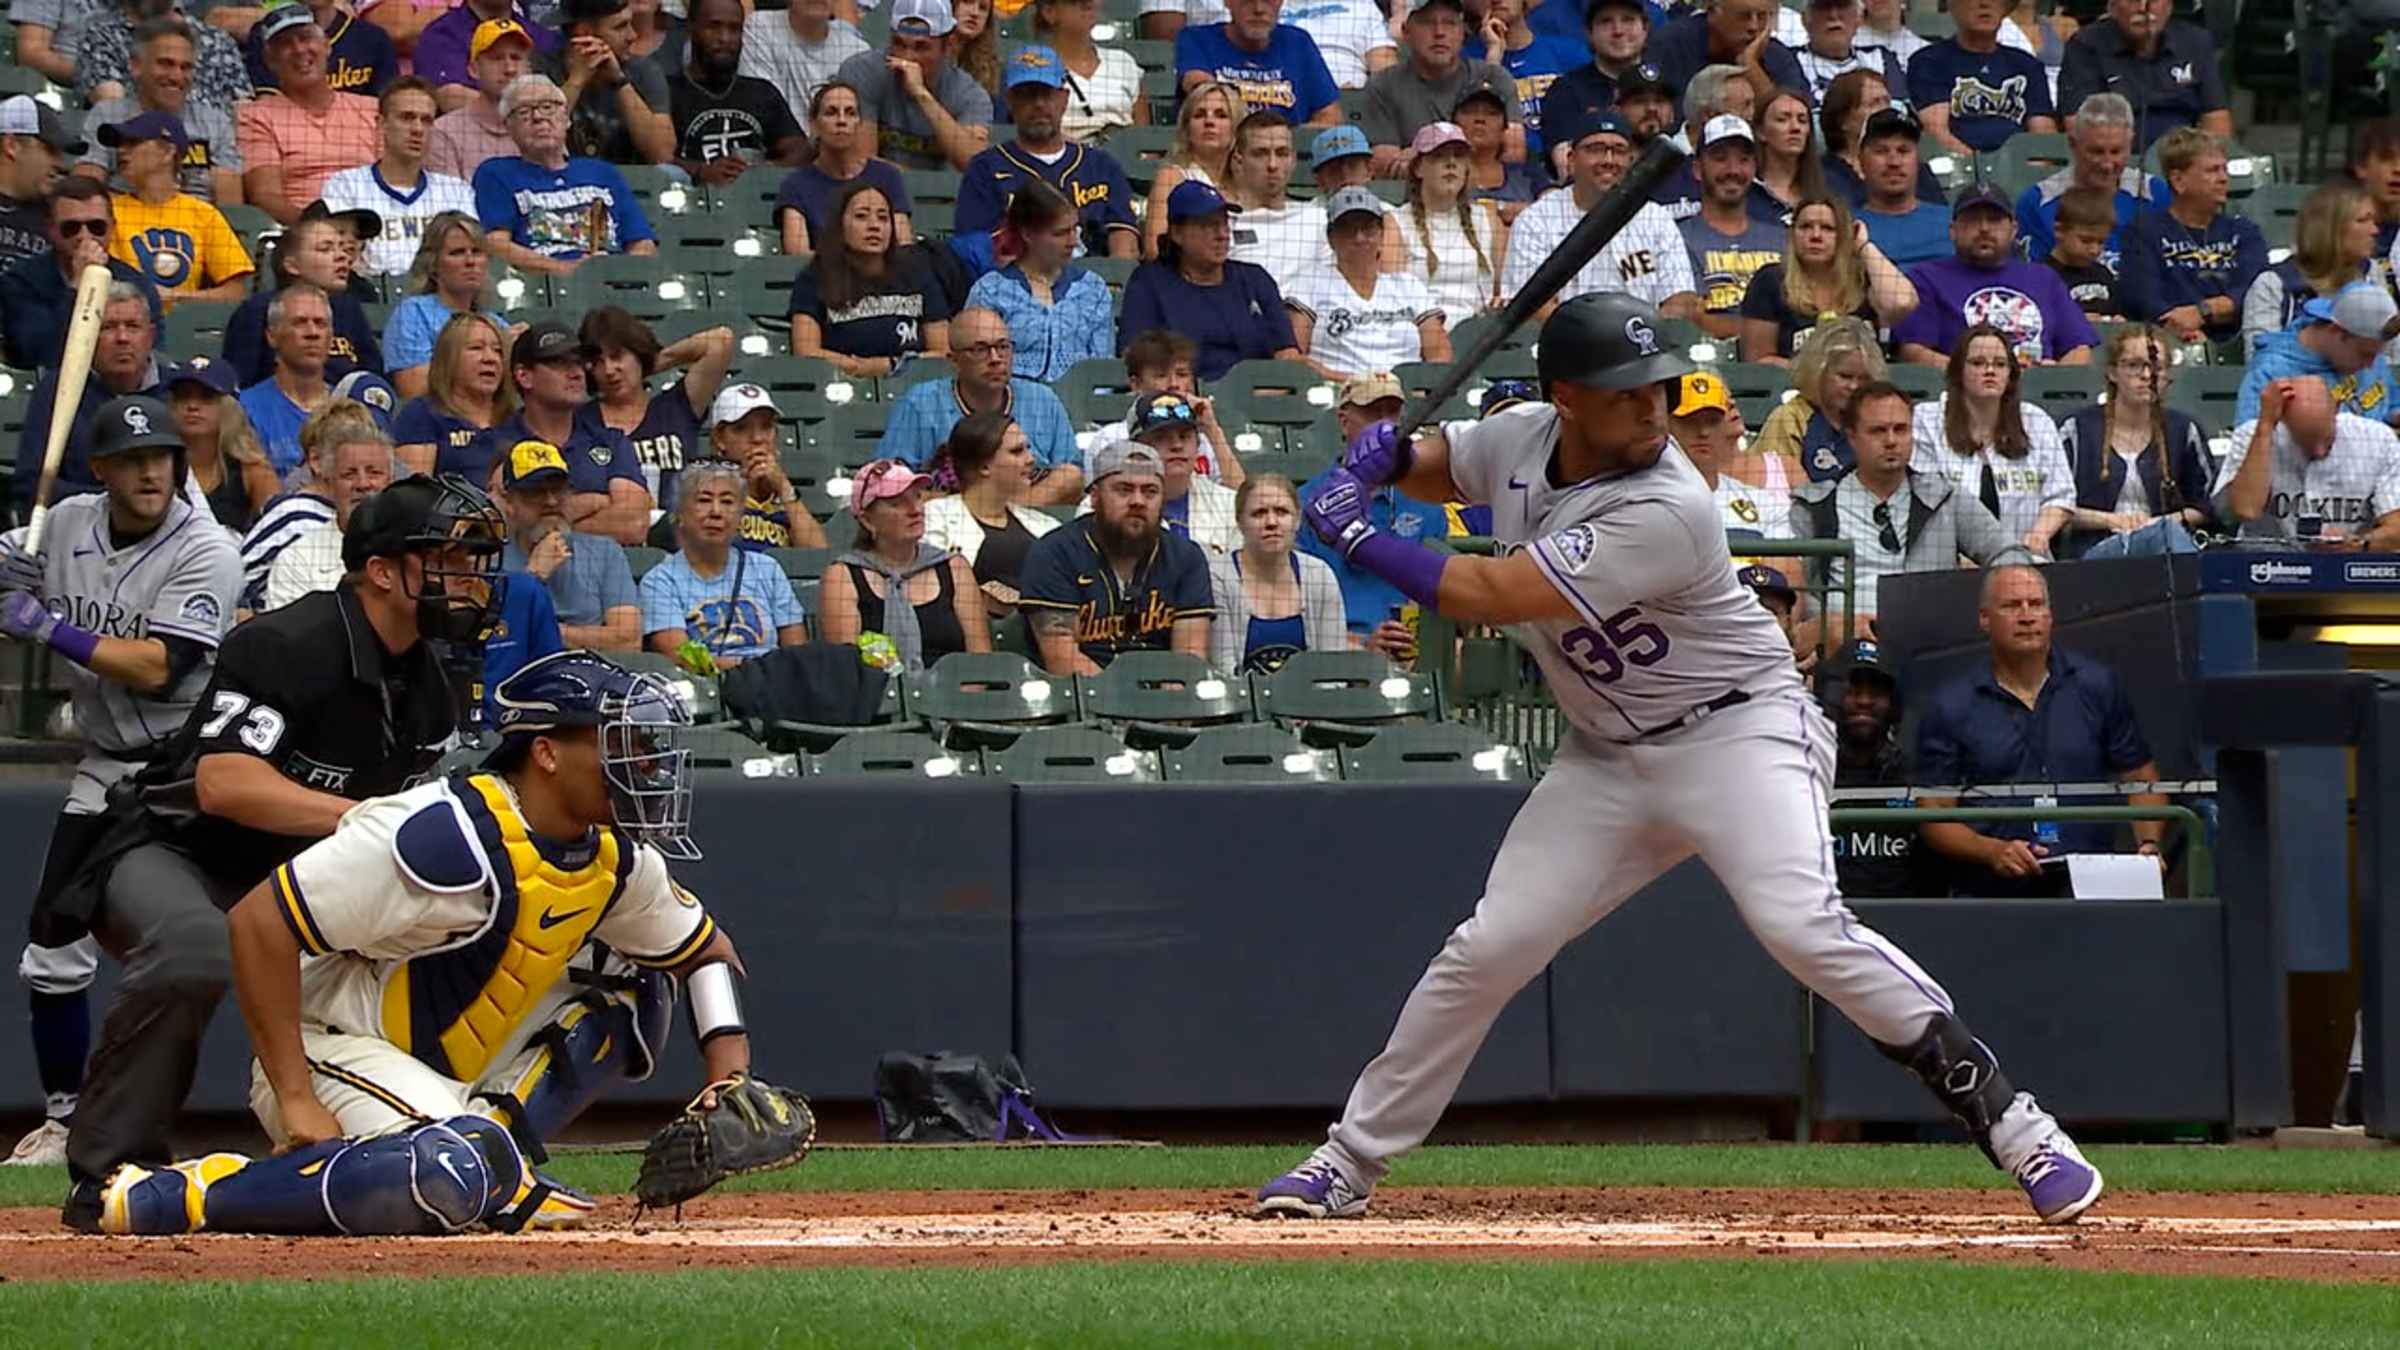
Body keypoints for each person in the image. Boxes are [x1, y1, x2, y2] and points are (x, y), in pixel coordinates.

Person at [1259, 290, 2105, 1226]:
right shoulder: (1518, 436)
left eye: (1659, 385)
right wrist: (1388, 456)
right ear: (1569, 399)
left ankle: (2019, 1127)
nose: (1654, 407)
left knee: (1801, 925)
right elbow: (1446, 464)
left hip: (1739, 734)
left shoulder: (1668, 505)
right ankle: (1346, 1161)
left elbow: (1491, 592)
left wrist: (1355, 529)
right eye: (1629, 391)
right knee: (1490, 946)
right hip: (1607, 756)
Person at [93, 647, 775, 1237]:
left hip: (447, 1065)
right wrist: (296, 1096)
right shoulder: (438, 833)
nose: (645, 762)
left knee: (636, 982)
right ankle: (186, 1193)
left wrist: (730, 1081)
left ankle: (490, 1156)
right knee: (456, 1170)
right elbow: (258, 921)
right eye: (618, 741)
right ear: (545, 751)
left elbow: (704, 954)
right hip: (333, 1046)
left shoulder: (613, 858)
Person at [44, 473, 504, 1231]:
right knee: (196, 947)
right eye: (449, 560)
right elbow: (223, 784)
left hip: (292, 886)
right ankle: (110, 1180)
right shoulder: (289, 642)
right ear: (383, 572)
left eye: (474, 562)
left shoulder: (428, 683)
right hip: (175, 848)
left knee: (445, 938)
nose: (470, 581)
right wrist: (364, 819)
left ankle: (458, 1141)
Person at [0, 393, 240, 1172]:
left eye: (162, 457)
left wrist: (42, 623)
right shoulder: (65, 522)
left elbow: (158, 664)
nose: (150, 471)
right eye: (133, 460)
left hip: (190, 768)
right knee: (50, 946)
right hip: (105, 764)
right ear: (101, 470)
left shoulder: (208, 547)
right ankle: (66, 1120)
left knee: (239, 940)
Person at [1913, 564, 2167, 898]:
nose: (2026, 615)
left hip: (2090, 891)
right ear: (1984, 619)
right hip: (1992, 895)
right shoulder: (1950, 705)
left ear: (2050, 616)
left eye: (2036, 604)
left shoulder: (2098, 686)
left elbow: (2141, 777)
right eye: (2011, 605)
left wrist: (2148, 844)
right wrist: (1991, 851)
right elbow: (1933, 816)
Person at [1789, 379, 2032, 626]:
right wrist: (1827, 625)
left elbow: (2008, 553)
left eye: (1901, 429)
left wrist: (1975, 603)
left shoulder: (1946, 498)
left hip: (1929, 640)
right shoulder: (1814, 505)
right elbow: (1796, 586)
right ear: (1852, 438)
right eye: (1878, 431)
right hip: (1841, 645)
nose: (1891, 440)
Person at [1019, 441, 1213, 673]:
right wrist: (1127, 702)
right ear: (1094, 496)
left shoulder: (1186, 558)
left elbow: (1189, 660)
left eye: (1150, 491)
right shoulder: (1054, 553)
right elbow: (1062, 660)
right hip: (1079, 700)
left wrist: (1166, 700)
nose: (1138, 501)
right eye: (1124, 489)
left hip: (1166, 698)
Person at [461, 320, 652, 545]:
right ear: (524, 376)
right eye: (560, 363)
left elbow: (633, 525)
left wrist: (546, 523)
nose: (576, 373)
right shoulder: (489, 446)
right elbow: (490, 528)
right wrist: (594, 502)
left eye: (579, 363)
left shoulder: (611, 442)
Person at [1501, 109, 1692, 323]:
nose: (1608, 160)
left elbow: (1681, 298)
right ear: (1571, 161)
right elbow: (1533, 308)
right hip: (1565, 348)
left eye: (1618, 150)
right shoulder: (1536, 220)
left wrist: (1647, 338)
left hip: (1645, 345)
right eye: (1596, 149)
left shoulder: (1655, 218)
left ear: (1631, 160)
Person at [1298, 373, 1441, 658]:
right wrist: (1360, 645)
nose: (1385, 424)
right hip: (1334, 651)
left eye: (1392, 412)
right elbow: (1297, 605)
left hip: (1413, 648)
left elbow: (1436, 589)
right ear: (1343, 420)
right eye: (1373, 413)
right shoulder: (1308, 501)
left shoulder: (1427, 500)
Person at [953, 46, 1139, 258]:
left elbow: (1124, 242)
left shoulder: (1101, 166)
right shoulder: (985, 168)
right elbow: (978, 250)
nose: (1039, 104)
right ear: (1010, 101)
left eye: (1047, 94)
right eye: (1028, 95)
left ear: (1064, 98)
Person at [884, 307, 1084, 502]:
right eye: (980, 350)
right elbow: (889, 481)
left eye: (1003, 347)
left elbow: (1073, 476)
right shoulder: (921, 403)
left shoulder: (1042, 400)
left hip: (1031, 524)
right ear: (954, 360)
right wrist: (972, 508)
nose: (995, 359)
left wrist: (1009, 510)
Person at [1892, 180, 2098, 367]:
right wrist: (1970, 374)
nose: (1984, 229)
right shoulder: (1926, 277)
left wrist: (2051, 376)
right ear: (1952, 231)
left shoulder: (2044, 278)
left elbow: (2079, 348)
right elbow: (1913, 352)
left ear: (2014, 229)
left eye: (1994, 220)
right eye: (1973, 220)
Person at [474, 73, 660, 278]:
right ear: (509, 127)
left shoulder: (603, 173)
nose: (538, 117)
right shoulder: (496, 173)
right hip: (545, 288)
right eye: (524, 112)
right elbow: (497, 245)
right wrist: (566, 270)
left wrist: (616, 273)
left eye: (548, 107)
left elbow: (643, 244)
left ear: (566, 118)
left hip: (615, 284)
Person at [1911, 326, 2075, 558]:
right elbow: (1923, 500)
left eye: (1999, 364)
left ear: (2011, 375)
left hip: (2025, 560)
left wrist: (2039, 534)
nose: (1989, 370)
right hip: (1949, 562)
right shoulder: (1927, 420)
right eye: (1977, 363)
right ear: (1959, 371)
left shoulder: (2036, 421)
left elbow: (2061, 495)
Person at [1119, 180, 1304, 383]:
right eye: (1208, 225)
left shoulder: (1255, 279)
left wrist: (1267, 395)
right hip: (1182, 399)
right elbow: (1135, 359)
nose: (1222, 234)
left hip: (1260, 399)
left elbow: (1287, 355)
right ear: (1177, 233)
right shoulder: (1149, 283)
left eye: (1224, 223)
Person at [2057, 322, 2214, 558]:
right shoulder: (2076, 428)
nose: (2146, 376)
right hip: (2092, 553)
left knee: (2168, 536)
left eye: (2156, 367)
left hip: (2162, 550)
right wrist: (2115, 521)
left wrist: (2156, 525)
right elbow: (2051, 505)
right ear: (2112, 372)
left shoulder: (2184, 429)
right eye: (2133, 365)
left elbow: (2206, 506)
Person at [817, 458, 988, 669]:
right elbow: (845, 671)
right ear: (867, 520)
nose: (915, 510)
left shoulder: (955, 568)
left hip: (955, 698)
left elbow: (981, 662)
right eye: (896, 503)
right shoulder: (843, 576)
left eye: (917, 497)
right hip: (876, 698)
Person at [11, 284, 166, 515]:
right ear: (88, 335)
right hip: (77, 529)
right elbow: (32, 483)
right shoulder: (57, 389)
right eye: (108, 327)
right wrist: (115, 501)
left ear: (151, 336)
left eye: (132, 327)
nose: (122, 338)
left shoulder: (176, 389)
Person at [639, 459, 808, 670]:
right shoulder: (659, 582)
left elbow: (797, 651)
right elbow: (681, 660)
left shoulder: (767, 569)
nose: (716, 512)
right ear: (680, 514)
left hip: (772, 690)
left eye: (727, 502)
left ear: (740, 516)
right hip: (704, 689)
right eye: (704, 500)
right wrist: (752, 669)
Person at [787, 181, 955, 376]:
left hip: (913, 384)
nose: (874, 226)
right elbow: (805, 351)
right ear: (840, 224)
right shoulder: (814, 277)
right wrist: (855, 367)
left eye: (883, 218)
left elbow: (943, 351)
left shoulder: (918, 273)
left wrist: (889, 365)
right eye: (861, 216)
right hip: (838, 384)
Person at [317, 78, 477, 282]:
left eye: (426, 120)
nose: (418, 129)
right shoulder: (345, 186)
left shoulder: (457, 192)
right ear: (382, 124)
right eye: (407, 117)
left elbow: (470, 260)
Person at [236, 6, 383, 226]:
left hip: (376, 226)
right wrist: (321, 227)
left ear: (327, 46)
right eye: (285, 44)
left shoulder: (371, 109)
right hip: (305, 235)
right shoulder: (257, 116)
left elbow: (394, 180)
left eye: (306, 38)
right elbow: (266, 196)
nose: (299, 49)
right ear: (270, 60)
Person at [2118, 127, 2265, 346]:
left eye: (2225, 170)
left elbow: (2257, 292)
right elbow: (2144, 298)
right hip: (2168, 344)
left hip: (2239, 344)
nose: (2224, 178)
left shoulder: (2244, 231)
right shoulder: (2143, 232)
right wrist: (2184, 330)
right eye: (2212, 170)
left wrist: (2202, 311)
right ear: (2178, 180)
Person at [1285, 186, 1450, 380]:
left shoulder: (1409, 286)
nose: (1360, 238)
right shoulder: (1309, 284)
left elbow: (1439, 353)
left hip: (1407, 396)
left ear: (1381, 234)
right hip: (1337, 393)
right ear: (1331, 238)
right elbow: (1293, 357)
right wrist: (1354, 382)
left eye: (1368, 228)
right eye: (1348, 229)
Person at [580, 307, 734, 516]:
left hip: (679, 538)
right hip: (613, 537)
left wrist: (650, 363)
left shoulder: (677, 407)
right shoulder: (581, 421)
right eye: (597, 362)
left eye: (617, 356)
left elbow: (721, 341)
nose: (609, 370)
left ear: (637, 351)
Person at [2217, 375, 2400, 549]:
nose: (2319, 451)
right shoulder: (2253, 436)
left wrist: (2356, 544)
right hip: (2267, 565)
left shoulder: (2377, 440)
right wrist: (2265, 426)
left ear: (2336, 408)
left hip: (2349, 566)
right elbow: (2246, 510)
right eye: (2307, 440)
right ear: (2282, 419)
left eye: (2325, 439)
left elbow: (2396, 530)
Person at [74, 18, 243, 206]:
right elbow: (86, 189)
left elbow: (231, 208)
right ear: (136, 66)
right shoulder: (108, 114)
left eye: (185, 67)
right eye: (165, 64)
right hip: (124, 224)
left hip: (198, 227)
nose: (176, 76)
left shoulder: (215, 122)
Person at [0, 179, 161, 372]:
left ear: (112, 228)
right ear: (51, 229)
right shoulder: (22, 280)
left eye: (96, 227)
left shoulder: (136, 284)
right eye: (71, 227)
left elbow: (155, 357)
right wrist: (78, 288)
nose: (84, 236)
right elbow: (37, 354)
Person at [965, 181, 1117, 384]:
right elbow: (977, 366)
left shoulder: (1093, 289)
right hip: (1011, 405)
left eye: (1075, 229)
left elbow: (1102, 367)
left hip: (1081, 405)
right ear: (1027, 234)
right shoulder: (990, 291)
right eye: (1060, 233)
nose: (1072, 241)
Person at [495, 438, 641, 650]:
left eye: (559, 490)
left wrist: (541, 631)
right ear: (509, 502)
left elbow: (628, 641)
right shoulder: (488, 557)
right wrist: (532, 578)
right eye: (536, 491)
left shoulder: (605, 552)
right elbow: (496, 641)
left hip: (591, 674)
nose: (552, 501)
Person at [99, 112, 253, 307]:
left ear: (167, 152)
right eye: (120, 144)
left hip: (184, 328)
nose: (121, 150)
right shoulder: (107, 211)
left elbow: (236, 292)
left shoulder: (203, 214)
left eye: (133, 142)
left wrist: (175, 296)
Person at [1738, 193, 1914, 363]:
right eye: (1806, 227)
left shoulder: (1865, 278)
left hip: (1861, 389)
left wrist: (1864, 246)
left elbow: (1902, 302)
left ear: (1845, 236)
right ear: (1792, 234)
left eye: (1828, 228)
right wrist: (1819, 376)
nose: (1815, 236)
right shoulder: (1771, 281)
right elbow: (1758, 361)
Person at [258, 403, 400, 609]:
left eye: (374, 473)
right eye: (349, 474)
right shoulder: (297, 558)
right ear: (330, 482)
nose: (362, 484)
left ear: (391, 480)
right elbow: (285, 639)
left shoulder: (415, 552)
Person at [222, 213, 385, 387]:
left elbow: (373, 378)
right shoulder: (257, 310)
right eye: (325, 249)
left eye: (343, 249)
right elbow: (239, 383)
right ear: (292, 265)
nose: (342, 256)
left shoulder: (349, 309)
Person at [925, 411, 1062, 617]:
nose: (1031, 459)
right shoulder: (934, 518)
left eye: (1028, 449)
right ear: (984, 466)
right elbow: (932, 589)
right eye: (1017, 452)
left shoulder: (1047, 526)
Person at [1205, 472, 1345, 674]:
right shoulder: (1217, 576)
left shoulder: (1319, 575)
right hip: (1241, 702)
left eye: (1281, 512)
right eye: (1259, 513)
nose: (1271, 522)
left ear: (1297, 520)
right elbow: (1223, 670)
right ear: (1240, 522)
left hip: (1311, 702)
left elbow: (1334, 668)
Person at [1823, 639, 1932, 899]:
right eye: (1852, 690)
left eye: (1877, 692)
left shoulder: (1915, 774)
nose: (1864, 701)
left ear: (1894, 704)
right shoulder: (1809, 771)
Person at [1360, 0, 1517, 179]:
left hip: (1491, 194)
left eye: (1450, 23)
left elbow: (1514, 152)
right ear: (1406, 31)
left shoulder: (1494, 78)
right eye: (1427, 23)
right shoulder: (1383, 84)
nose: (1439, 33)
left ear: (1462, 33)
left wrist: (1421, 158)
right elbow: (1383, 166)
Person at [2011, 93, 2164, 277]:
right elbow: (2032, 281)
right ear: (2073, 144)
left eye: (2116, 151)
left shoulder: (2155, 193)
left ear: (2130, 144)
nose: (2107, 164)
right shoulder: (2037, 202)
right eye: (2097, 152)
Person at [830, 0, 991, 172]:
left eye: (921, 47)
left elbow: (976, 165)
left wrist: (921, 95)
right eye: (899, 44)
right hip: (872, 193)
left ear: (948, 45)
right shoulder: (862, 70)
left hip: (944, 198)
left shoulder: (969, 94)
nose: (907, 57)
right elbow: (861, 163)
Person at [666, 0, 808, 187]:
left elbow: (800, 151)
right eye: (713, 27)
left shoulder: (762, 92)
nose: (725, 38)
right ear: (691, 28)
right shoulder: (667, 91)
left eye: (734, 29)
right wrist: (701, 171)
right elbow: (655, 158)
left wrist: (763, 170)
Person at [2055, 0, 2231, 150]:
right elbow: (2078, 125)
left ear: (2169, 6)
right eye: (2133, 0)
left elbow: (2216, 117)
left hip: (2184, 160)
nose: (2143, 8)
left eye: (2153, 1)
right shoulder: (2085, 45)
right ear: (2112, 7)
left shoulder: (2195, 41)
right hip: (2115, 161)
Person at [2243, 181, 2380, 361]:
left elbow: (2392, 356)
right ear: (2329, 228)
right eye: (2362, 220)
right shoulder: (2273, 284)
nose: (2375, 230)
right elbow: (2260, 363)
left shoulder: (2371, 274)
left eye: (2374, 220)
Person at [1391, 121, 1507, 330]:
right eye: (1439, 156)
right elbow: (1391, 296)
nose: (1451, 163)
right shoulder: (1394, 222)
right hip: (1420, 335)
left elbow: (1505, 289)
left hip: (1480, 335)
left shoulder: (1488, 219)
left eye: (1459, 156)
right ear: (1418, 168)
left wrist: (1501, 303)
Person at [2236, 282, 2400, 428]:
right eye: (2364, 354)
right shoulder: (2271, 372)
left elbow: (2391, 404)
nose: (2371, 364)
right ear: (2336, 332)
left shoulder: (2366, 344)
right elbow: (2249, 447)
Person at [1679, 116, 1786, 339]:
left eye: (1744, 159)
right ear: (1698, 169)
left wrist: (1712, 321)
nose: (1733, 170)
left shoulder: (1782, 238)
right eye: (1720, 159)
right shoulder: (1676, 238)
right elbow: (1687, 320)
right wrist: (1769, 330)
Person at [776, 81, 912, 256]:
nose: (841, 121)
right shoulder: (795, 184)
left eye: (850, 113)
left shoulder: (887, 176)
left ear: (859, 123)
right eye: (831, 113)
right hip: (822, 279)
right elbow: (797, 253)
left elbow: (903, 244)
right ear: (813, 124)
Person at [1907, 0, 2056, 157]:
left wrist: (2032, 169)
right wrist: (1982, 169)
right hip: (1958, 170)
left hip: (2022, 169)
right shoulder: (1930, 61)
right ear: (1952, 6)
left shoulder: (2027, 64)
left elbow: (2043, 133)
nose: (1985, 3)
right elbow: (1936, 132)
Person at [382, 212, 504, 400]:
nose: (470, 261)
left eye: (477, 252)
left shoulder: (495, 322)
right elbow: (413, 389)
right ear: (433, 265)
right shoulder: (414, 313)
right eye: (457, 253)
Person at [542, 0, 676, 167]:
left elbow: (662, 155)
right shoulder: (543, 71)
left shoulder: (644, 71)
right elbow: (541, 134)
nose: (632, 36)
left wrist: (620, 82)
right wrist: (577, 80)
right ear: (585, 33)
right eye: (620, 27)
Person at [1103, 329, 1243, 485]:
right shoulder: (1111, 438)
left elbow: (1237, 498)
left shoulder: (1204, 440)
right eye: (1161, 375)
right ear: (1136, 384)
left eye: (1182, 374)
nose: (1174, 384)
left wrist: (1212, 429)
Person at [70, 0, 255, 118]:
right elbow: (114, 111)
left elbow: (244, 112)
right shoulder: (102, 38)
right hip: (139, 152)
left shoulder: (216, 39)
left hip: (218, 156)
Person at [1174, 0, 1342, 129]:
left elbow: (1330, 115)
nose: (1259, 9)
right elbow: (1203, 93)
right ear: (1227, 2)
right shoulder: (1196, 39)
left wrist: (1283, 140)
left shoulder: (1298, 43)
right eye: (1248, 0)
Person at [700, 382, 828, 551]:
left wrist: (784, 488)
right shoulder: (702, 492)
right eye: (742, 428)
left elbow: (817, 557)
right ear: (719, 439)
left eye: (766, 427)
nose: (757, 438)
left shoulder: (786, 500)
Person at [1754, 315, 1881, 482]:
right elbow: (1777, 491)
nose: (1854, 386)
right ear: (1818, 372)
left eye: (1863, 378)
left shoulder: (1875, 419)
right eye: (1845, 376)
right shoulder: (1790, 419)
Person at [1463, 0, 1584, 172]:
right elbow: (1478, 123)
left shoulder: (1570, 53)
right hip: (1505, 173)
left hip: (1566, 166)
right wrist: (1493, 57)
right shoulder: (1467, 60)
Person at [1672, 368, 1787, 546]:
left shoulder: (1762, 502)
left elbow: (1786, 571)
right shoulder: (1644, 500)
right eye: (1690, 421)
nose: (1703, 432)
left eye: (1712, 420)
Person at [163, 358, 278, 532]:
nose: (192, 406)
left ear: (230, 407)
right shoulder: (154, 467)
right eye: (183, 396)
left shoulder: (253, 471)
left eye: (206, 397)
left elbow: (277, 531)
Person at [393, 311, 514, 475]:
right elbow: (414, 494)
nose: (490, 358)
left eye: (498, 350)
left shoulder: (516, 419)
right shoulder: (422, 415)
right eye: (476, 348)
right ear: (449, 358)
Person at [237, 286, 340, 475]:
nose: (312, 333)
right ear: (272, 336)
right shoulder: (245, 409)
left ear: (331, 336)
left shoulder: (348, 407)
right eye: (300, 323)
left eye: (320, 323)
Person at [1218, 111, 1332, 280]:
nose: (1272, 165)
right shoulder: (1221, 223)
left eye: (1281, 153)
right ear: (1238, 160)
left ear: (1293, 160)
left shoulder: (1317, 219)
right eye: (1260, 153)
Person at [1123, 390, 1239, 554]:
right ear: (1136, 448)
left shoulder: (1228, 504)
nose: (1177, 445)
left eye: (1184, 437)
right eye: (1161, 437)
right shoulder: (1105, 507)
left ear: (1198, 445)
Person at [1818, 70, 1949, 212]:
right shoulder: (1821, 176)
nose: (1885, 110)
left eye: (1886, 101)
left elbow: (1941, 218)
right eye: (1874, 103)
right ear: (1843, 120)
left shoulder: (1916, 169)